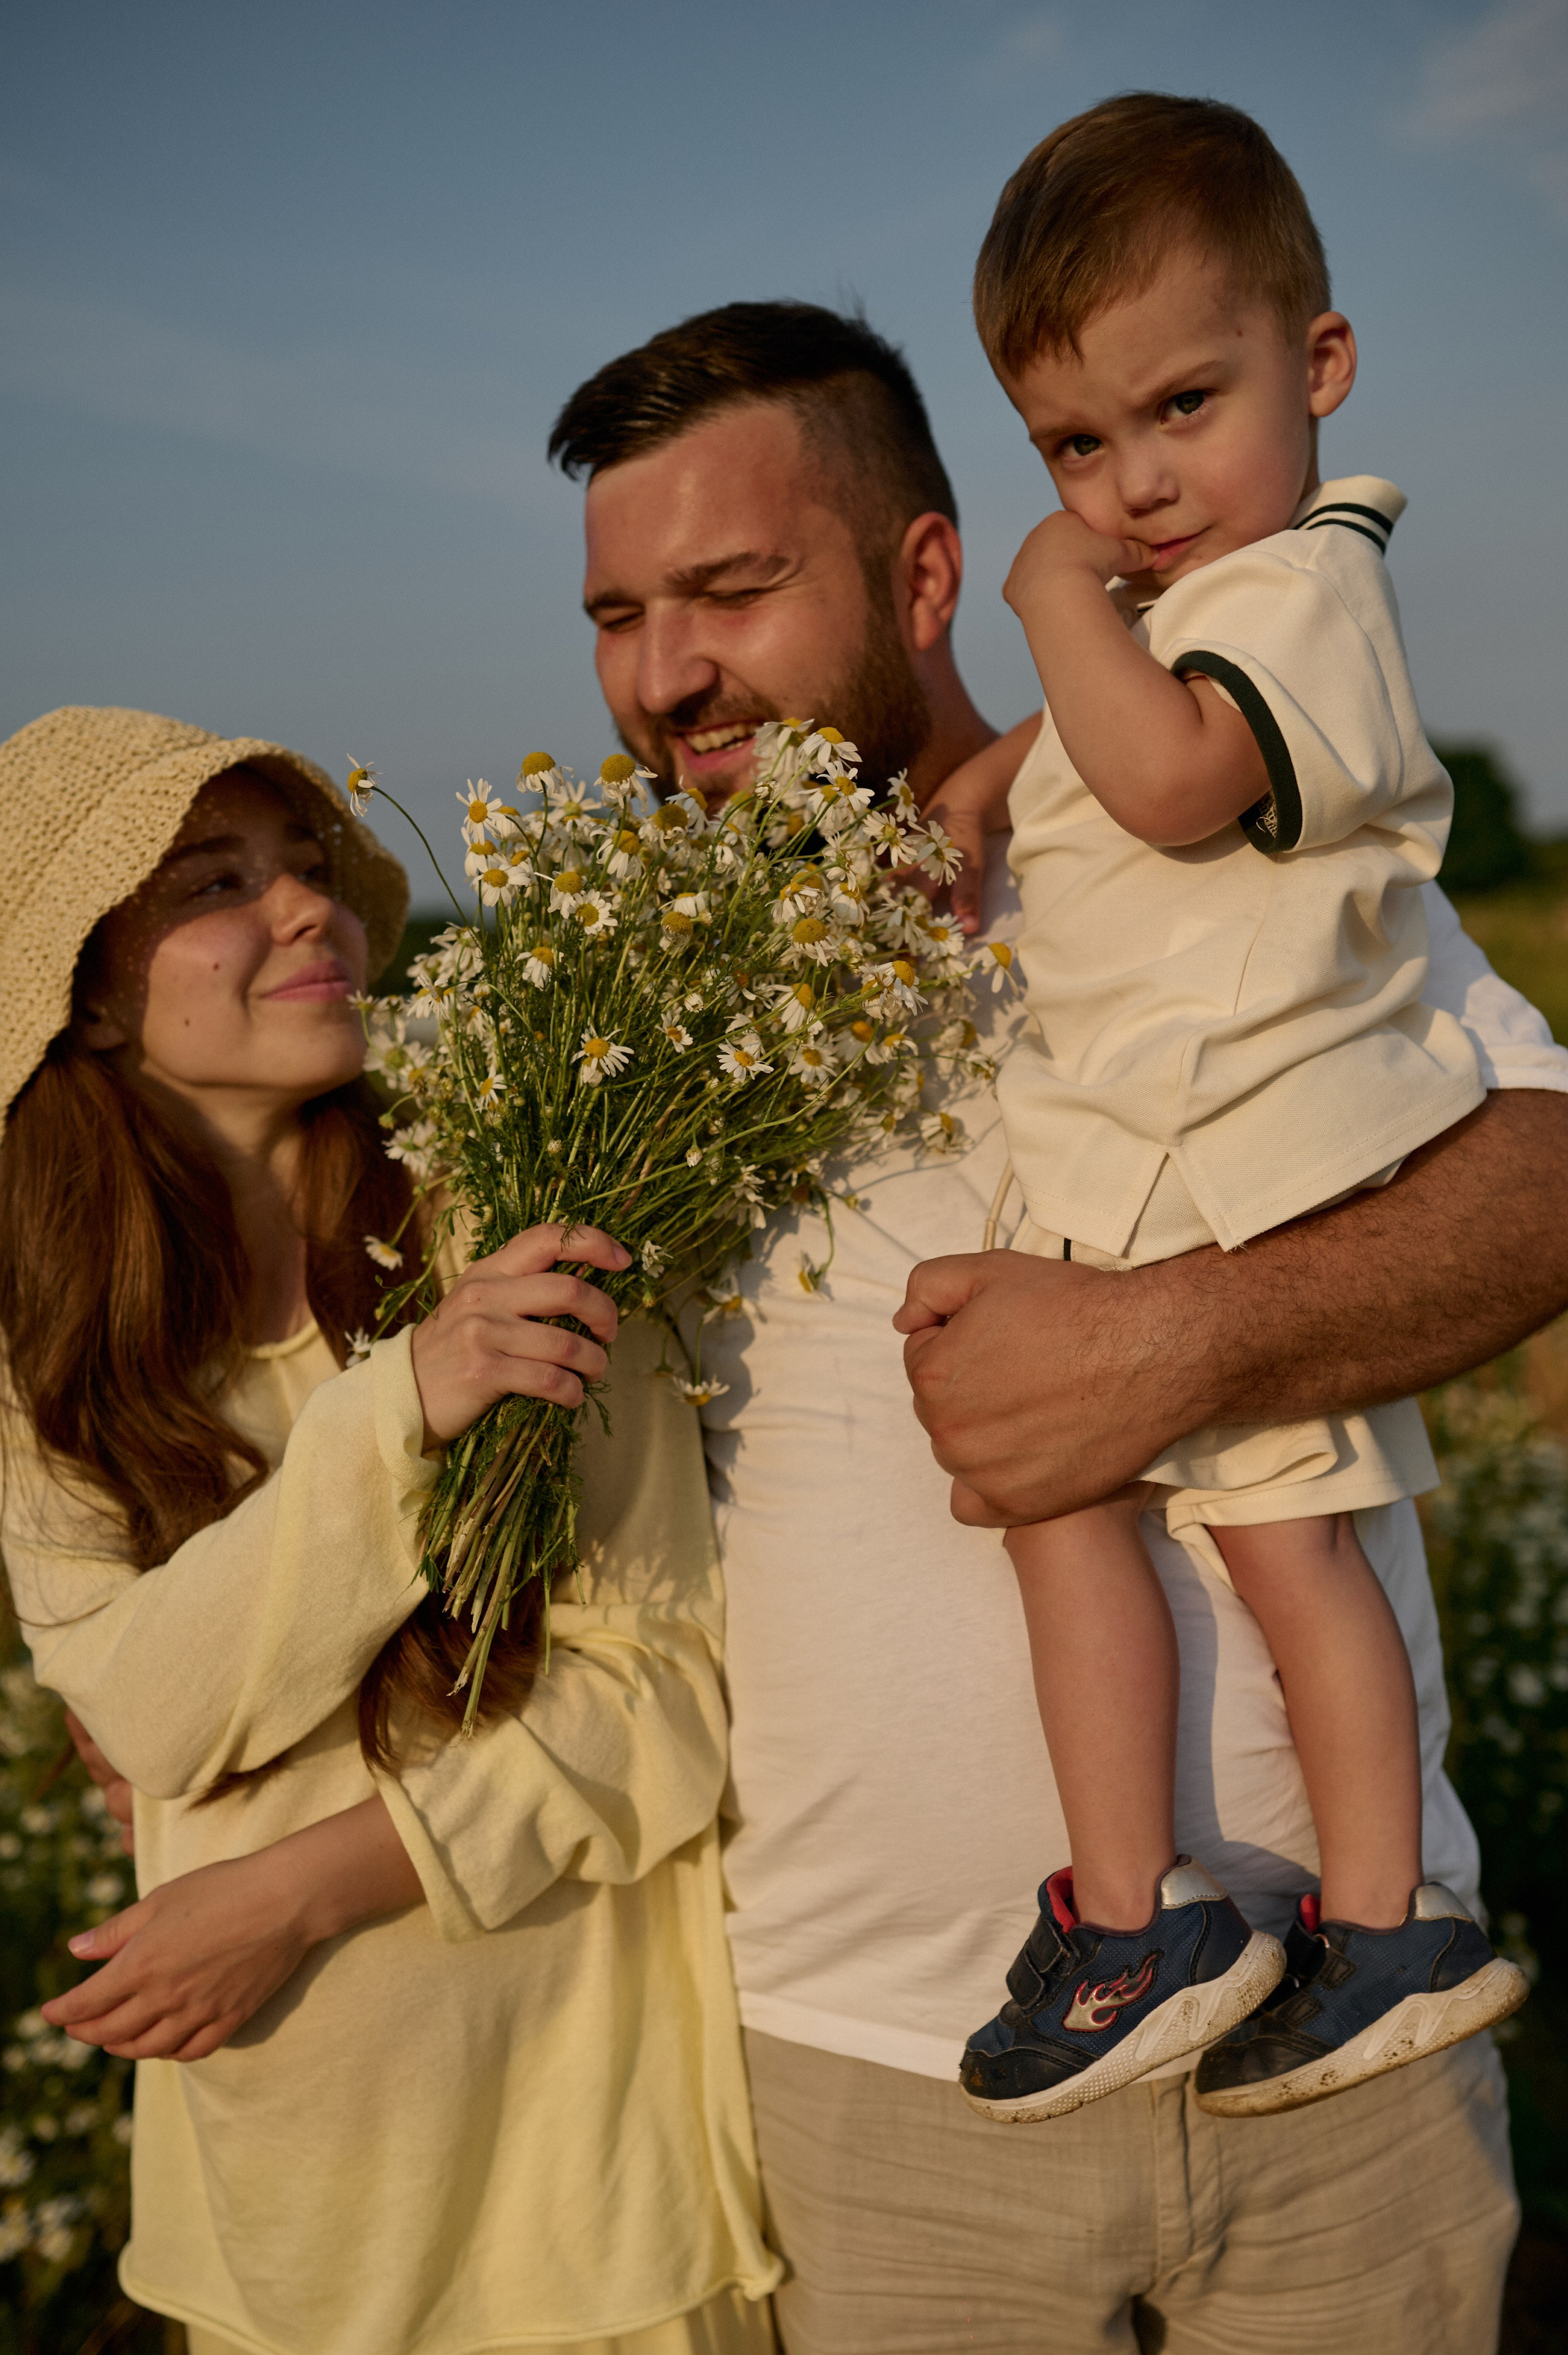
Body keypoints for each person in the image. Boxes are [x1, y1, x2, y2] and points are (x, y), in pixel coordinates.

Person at [551, 299, 1568, 2348]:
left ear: (929, 574)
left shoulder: (1187, 838)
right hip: (883, 2083)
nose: (670, 674)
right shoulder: (627, 1023)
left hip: (1335, 2040)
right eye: (620, 611)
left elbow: (1545, 1168)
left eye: (736, 589)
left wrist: (1173, 1345)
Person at [1, 705, 778, 2355]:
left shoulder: (521, 1220)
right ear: (91, 992)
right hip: (287, 2232)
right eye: (217, 882)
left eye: (310, 869)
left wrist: (303, 1886)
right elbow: (142, 1708)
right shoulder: (49, 1356)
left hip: (588, 2213)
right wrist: (395, 1407)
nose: (308, 911)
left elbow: (668, 1694)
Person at [900, 92, 1528, 2130]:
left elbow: (1174, 777)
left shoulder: (1314, 590)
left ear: (1318, 368)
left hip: (1245, 1181)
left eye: (1184, 406)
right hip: (1132, 1172)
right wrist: (990, 779)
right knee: (1048, 1497)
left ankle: (1385, 1920)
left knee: (1297, 1556)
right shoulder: (1190, 608)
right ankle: (1129, 1910)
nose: (1135, 486)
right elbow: (1097, 763)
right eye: (1076, 447)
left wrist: (1044, 590)